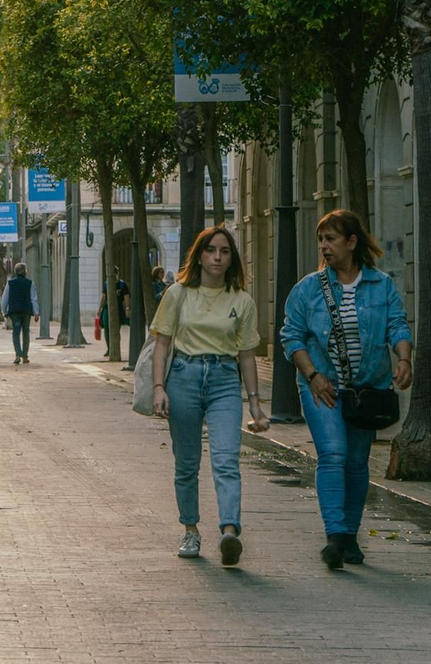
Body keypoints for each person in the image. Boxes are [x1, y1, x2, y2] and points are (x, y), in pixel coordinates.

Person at [281, 209, 413, 571]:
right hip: (320, 386)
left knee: (356, 463)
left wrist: (404, 358)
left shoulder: (380, 285)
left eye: (331, 239)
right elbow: (290, 336)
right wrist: (312, 375)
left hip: (365, 388)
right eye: (320, 239)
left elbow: (397, 325)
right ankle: (335, 536)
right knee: (333, 454)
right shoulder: (308, 289)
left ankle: (350, 537)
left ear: (351, 242)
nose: (323, 246)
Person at [148, 225, 267, 567]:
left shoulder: (242, 301)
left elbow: (246, 353)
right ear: (199, 255)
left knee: (226, 459)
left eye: (224, 251)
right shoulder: (178, 294)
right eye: (211, 250)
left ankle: (230, 531)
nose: (217, 257)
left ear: (232, 258)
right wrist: (159, 388)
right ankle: (190, 529)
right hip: (183, 377)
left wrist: (255, 402)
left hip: (224, 380)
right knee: (187, 463)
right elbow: (162, 343)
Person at [1, 262, 39, 364]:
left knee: (16, 333)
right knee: (26, 332)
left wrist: (4, 311)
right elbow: (33, 298)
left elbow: (5, 298)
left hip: (14, 311)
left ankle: (18, 354)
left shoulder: (10, 283)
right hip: (26, 311)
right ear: (25, 271)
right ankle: (25, 356)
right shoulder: (30, 283)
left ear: (15, 272)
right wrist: (36, 312)